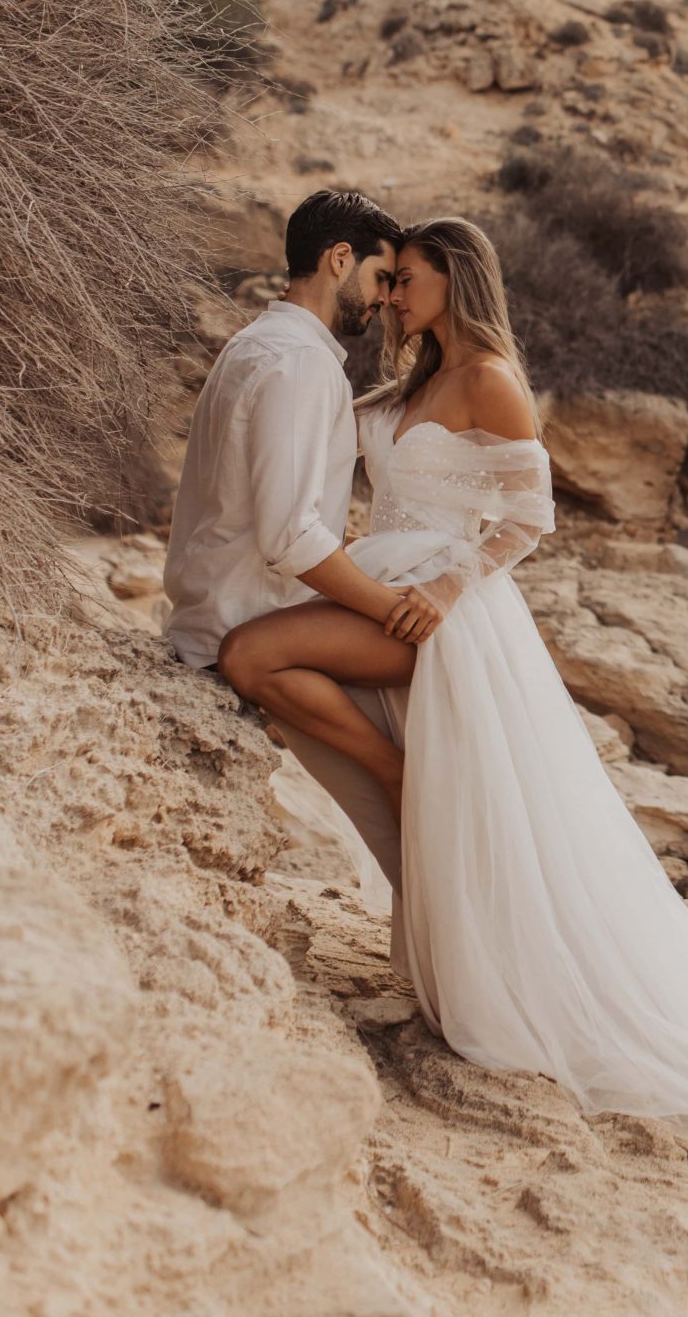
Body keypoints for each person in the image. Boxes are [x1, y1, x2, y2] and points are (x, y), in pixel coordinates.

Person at [214, 216, 688, 1180]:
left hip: (442, 611)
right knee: (264, 662)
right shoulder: (408, 379)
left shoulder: (490, 380)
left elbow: (530, 517)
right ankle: (404, 776)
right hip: (385, 583)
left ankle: (404, 774)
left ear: (456, 281)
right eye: (388, 284)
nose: (392, 297)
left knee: (257, 657)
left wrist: (445, 585)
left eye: (410, 282)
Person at [163, 188, 413, 893]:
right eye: (380, 277)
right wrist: (387, 606)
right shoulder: (301, 365)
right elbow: (290, 537)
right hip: (247, 624)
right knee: (453, 658)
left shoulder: (261, 344)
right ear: (339, 259)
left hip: (229, 609)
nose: (386, 298)